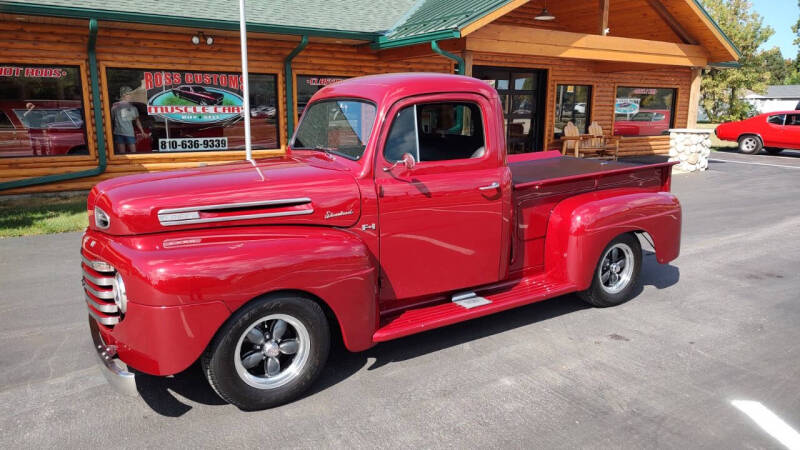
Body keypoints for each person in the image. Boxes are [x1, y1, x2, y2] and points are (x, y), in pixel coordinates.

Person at [112, 86, 148, 154]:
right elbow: (113, 119)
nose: (131, 96)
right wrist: (142, 131)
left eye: (131, 94)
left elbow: (137, 121)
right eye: (129, 94)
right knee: (126, 153)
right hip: (121, 132)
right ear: (124, 95)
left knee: (130, 153)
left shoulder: (116, 107)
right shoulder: (115, 107)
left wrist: (142, 132)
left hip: (127, 132)